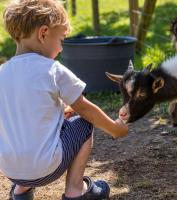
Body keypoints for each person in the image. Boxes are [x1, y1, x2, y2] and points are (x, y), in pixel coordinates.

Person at [0, 0, 129, 199]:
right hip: (46, 169)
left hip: (10, 169)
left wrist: (60, 112)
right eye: (61, 39)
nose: (61, 48)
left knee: (15, 128)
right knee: (84, 123)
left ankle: (20, 191)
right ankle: (75, 190)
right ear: (43, 34)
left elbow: (26, 112)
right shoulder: (52, 70)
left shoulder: (2, 73)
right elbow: (86, 109)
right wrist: (115, 128)